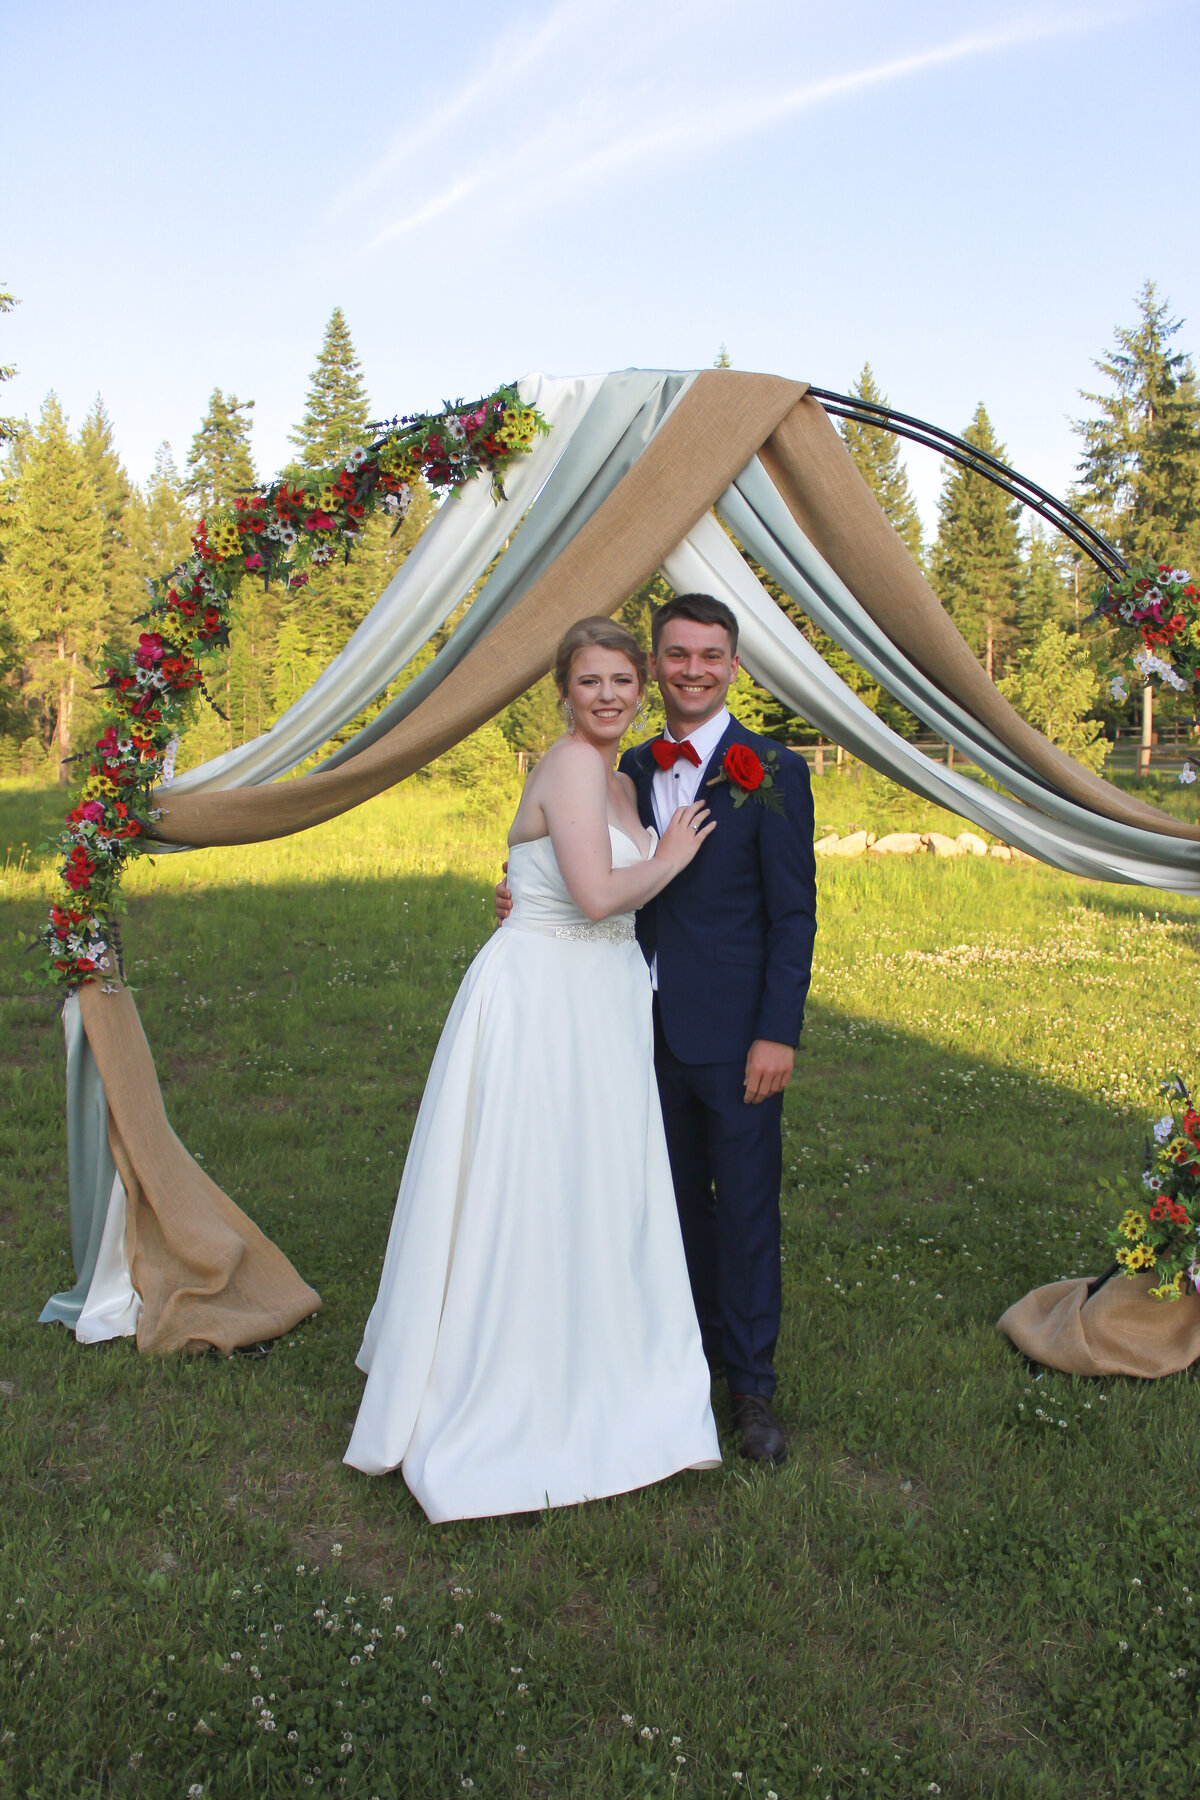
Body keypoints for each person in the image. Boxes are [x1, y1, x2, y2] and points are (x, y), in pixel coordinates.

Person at [345, 616, 722, 1522]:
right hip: (547, 996)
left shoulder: (621, 781)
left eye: (622, 681)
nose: (608, 696)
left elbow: (549, 863)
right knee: (531, 1181)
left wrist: (534, 879)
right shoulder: (571, 764)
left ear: (642, 689)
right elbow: (595, 895)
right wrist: (670, 862)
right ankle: (510, 1377)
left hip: (598, 998)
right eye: (589, 681)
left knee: (594, 1185)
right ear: (564, 690)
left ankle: (598, 1358)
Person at [498, 593, 816, 1463]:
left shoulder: (774, 770)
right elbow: (575, 862)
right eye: (677, 655)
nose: (693, 671)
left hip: (737, 1032)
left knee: (744, 1207)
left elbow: (794, 917)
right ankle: (678, 1354)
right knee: (660, 1207)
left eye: (710, 656)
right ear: (657, 669)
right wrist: (519, 894)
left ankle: (750, 1388)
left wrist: (776, 1032)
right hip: (629, 1029)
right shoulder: (624, 765)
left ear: (733, 665)